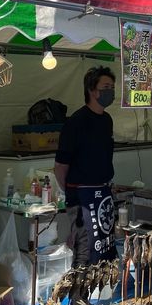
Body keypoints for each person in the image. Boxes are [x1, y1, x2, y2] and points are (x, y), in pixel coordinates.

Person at [54, 66, 117, 266]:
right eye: (106, 87)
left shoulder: (107, 120)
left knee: (105, 247)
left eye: (113, 87)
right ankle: (77, 296)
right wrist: (73, 195)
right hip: (81, 197)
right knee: (85, 249)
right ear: (92, 90)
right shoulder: (76, 122)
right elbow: (60, 166)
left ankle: (97, 294)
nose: (111, 91)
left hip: (103, 193)